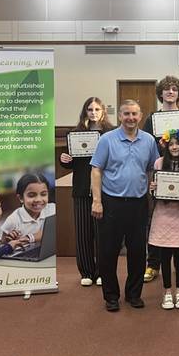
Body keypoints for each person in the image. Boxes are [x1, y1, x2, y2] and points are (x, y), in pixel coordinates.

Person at [91, 100, 160, 312]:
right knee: (108, 252)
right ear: (120, 116)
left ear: (140, 116)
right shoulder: (107, 139)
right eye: (126, 114)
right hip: (112, 202)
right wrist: (97, 201)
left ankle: (133, 294)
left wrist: (156, 184)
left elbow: (153, 167)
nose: (131, 118)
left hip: (139, 203)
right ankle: (111, 296)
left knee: (138, 252)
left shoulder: (148, 140)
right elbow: (96, 170)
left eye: (134, 114)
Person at [143, 75, 179, 282]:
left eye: (174, 89)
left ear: (178, 93)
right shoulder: (151, 119)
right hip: (158, 172)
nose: (170, 92)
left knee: (178, 218)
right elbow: (145, 145)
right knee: (155, 218)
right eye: (166, 89)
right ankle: (153, 264)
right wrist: (152, 168)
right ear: (160, 93)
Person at [59, 97, 115, 287]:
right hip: (82, 188)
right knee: (83, 233)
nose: (93, 112)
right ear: (85, 112)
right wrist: (65, 159)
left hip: (105, 189)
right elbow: (71, 163)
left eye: (97, 109)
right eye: (90, 109)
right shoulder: (75, 134)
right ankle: (87, 272)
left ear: (103, 112)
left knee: (103, 233)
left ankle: (101, 271)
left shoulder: (111, 133)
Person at [148, 129, 179, 310]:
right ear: (166, 146)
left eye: (178, 144)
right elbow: (153, 189)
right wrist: (153, 188)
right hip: (163, 215)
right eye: (171, 144)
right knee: (164, 255)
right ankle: (167, 291)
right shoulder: (159, 163)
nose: (175, 147)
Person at [0, 173, 55, 244]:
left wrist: (29, 238)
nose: (38, 199)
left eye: (43, 194)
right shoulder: (13, 220)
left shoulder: (53, 209)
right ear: (21, 198)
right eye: (31, 195)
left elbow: (54, 231)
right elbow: (3, 244)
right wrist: (9, 241)